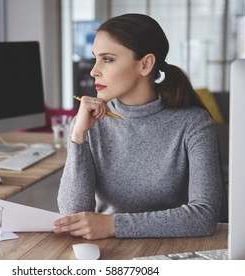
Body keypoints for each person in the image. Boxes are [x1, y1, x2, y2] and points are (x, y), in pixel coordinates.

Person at [54, 13, 222, 240]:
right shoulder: (88, 123)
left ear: (145, 64)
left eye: (107, 59)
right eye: (95, 58)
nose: (94, 70)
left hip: (173, 251)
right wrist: (78, 136)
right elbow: (73, 216)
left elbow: (204, 216)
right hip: (108, 252)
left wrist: (114, 225)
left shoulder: (194, 124)